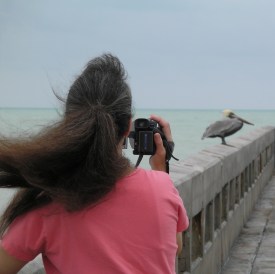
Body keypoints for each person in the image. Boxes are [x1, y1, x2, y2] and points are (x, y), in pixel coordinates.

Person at [0, 54, 189, 274]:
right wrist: (160, 168)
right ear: (128, 127)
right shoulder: (162, 187)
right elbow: (175, 247)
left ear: (69, 124)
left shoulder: (50, 203)